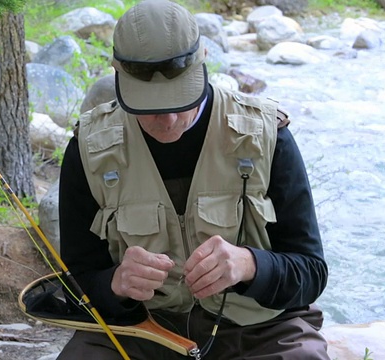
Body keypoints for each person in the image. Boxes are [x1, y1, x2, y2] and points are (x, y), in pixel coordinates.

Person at [56, 0, 329, 359]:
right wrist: (115, 283)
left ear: (202, 64)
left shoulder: (266, 136)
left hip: (259, 331)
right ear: (119, 76)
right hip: (142, 330)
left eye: (179, 101)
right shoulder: (89, 149)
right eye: (149, 107)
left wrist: (249, 264)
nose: (167, 121)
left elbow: (310, 273)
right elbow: (77, 283)